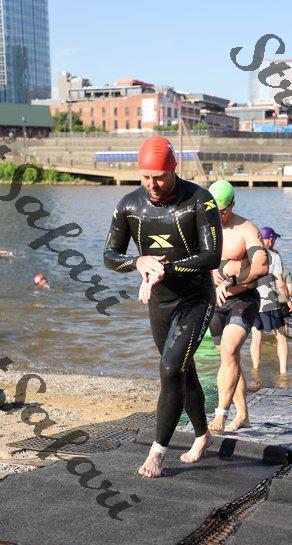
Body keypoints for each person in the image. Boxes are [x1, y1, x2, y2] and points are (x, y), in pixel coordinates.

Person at [104, 136, 223, 478]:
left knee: (170, 368)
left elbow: (211, 256)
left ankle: (158, 451)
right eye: (145, 177)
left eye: (159, 177)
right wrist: (138, 262)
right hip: (159, 301)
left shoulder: (199, 200)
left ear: (173, 170)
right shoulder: (129, 205)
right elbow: (110, 256)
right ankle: (202, 435)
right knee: (181, 370)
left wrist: (164, 268)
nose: (152, 185)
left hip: (195, 299)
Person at [206, 180, 268, 433]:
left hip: (242, 299)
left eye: (222, 211)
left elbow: (262, 266)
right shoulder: (203, 227)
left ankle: (221, 413)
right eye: (212, 210)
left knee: (230, 349)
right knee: (228, 357)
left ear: (232, 205)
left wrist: (231, 282)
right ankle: (243, 415)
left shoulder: (246, 229)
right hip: (214, 302)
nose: (217, 216)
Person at [250, 227, 292, 373]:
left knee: (256, 337)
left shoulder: (250, 254)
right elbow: (281, 284)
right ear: (269, 239)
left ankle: (255, 370)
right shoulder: (274, 257)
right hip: (270, 303)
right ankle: (283, 371)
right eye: (274, 238)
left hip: (253, 302)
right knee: (281, 337)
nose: (274, 241)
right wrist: (288, 300)